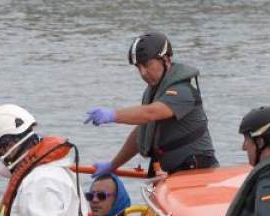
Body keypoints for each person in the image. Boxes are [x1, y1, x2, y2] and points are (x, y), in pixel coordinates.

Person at [85, 31, 218, 177]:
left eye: (147, 64)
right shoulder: (154, 92)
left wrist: (112, 115)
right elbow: (142, 135)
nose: (143, 73)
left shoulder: (183, 91)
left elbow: (150, 113)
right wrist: (113, 165)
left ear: (166, 59)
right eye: (138, 67)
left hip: (198, 171)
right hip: (170, 172)